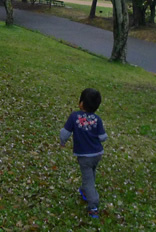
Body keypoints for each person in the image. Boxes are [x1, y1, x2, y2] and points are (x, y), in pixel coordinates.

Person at [60, 88, 108, 219]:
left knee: (89, 179)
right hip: (97, 154)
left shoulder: (74, 116)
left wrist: (62, 142)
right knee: (90, 174)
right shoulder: (97, 119)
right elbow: (103, 137)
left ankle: (93, 205)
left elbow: (65, 132)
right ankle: (84, 190)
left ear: (81, 103)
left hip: (84, 156)